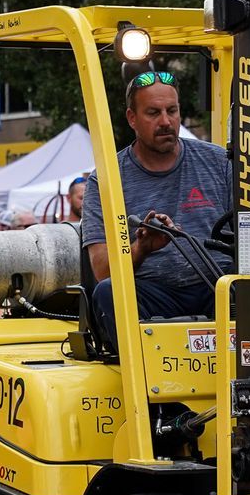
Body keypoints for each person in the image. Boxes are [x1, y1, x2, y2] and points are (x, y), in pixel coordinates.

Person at [81, 70, 235, 330]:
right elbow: (103, 272)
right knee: (109, 292)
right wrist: (141, 248)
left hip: (218, 286)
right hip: (156, 293)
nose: (165, 121)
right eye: (153, 113)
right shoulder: (106, 180)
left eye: (171, 111)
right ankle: (140, 369)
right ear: (132, 118)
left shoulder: (220, 162)